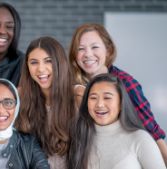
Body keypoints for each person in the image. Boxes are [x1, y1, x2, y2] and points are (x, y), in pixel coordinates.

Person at [68, 23, 167, 164]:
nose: (88, 54)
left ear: (108, 50)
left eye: (94, 47)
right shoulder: (71, 85)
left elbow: (153, 132)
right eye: (81, 49)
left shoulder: (125, 83)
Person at [68, 73, 166, 169]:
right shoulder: (80, 138)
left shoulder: (140, 139)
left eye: (107, 97)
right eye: (93, 98)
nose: (99, 104)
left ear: (121, 103)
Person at [15, 36, 76, 169]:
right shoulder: (19, 97)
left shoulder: (76, 97)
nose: (41, 69)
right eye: (34, 62)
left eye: (48, 61)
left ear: (59, 63)